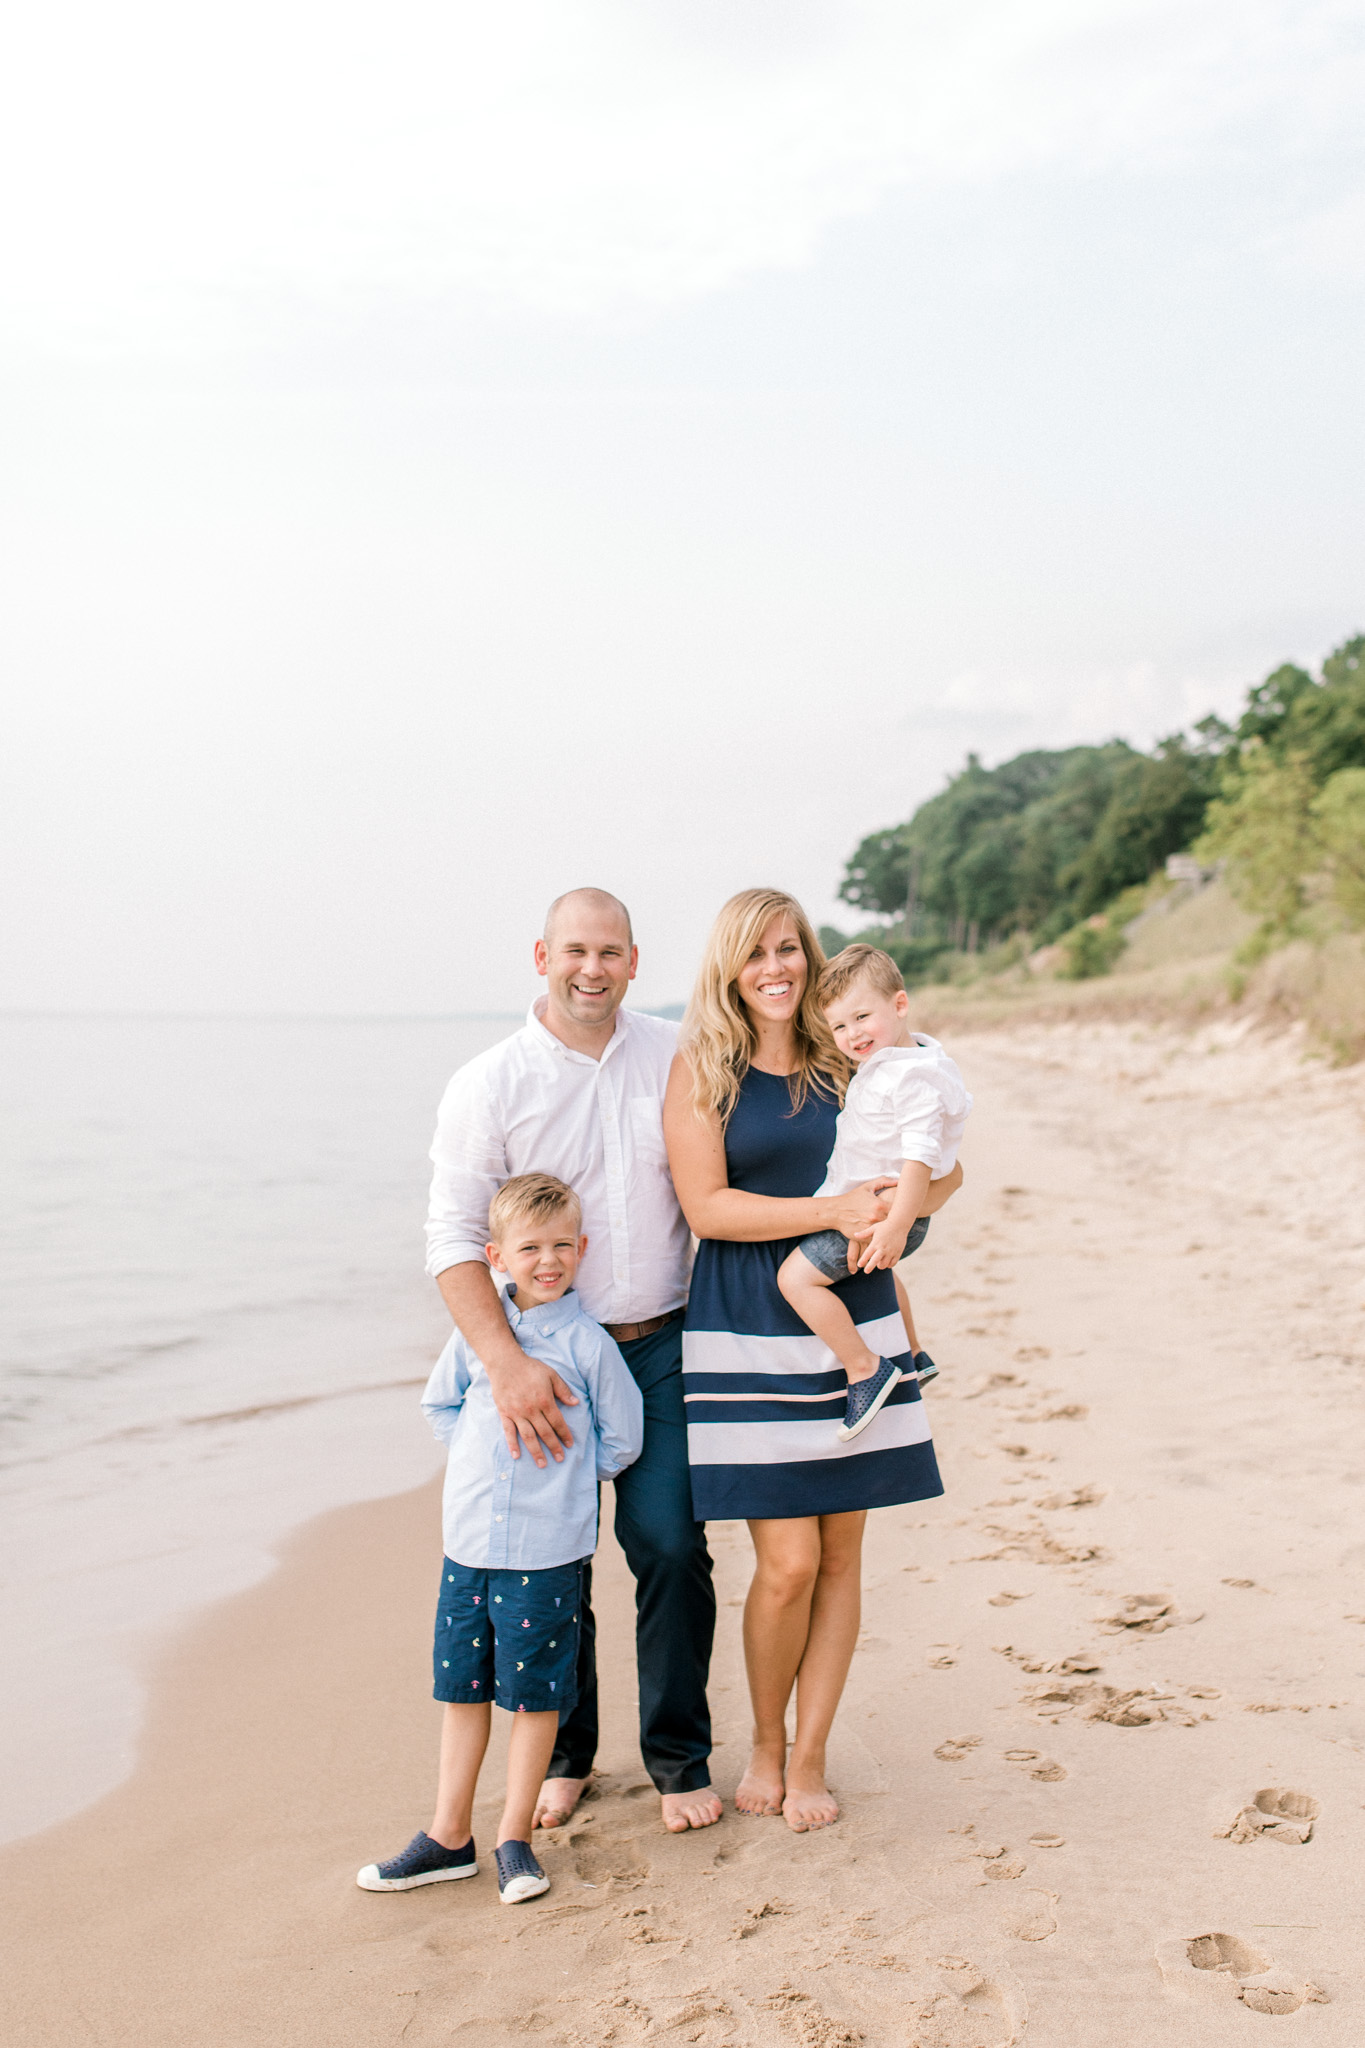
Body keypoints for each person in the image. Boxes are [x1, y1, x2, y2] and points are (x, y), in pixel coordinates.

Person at [424, 888, 721, 1834]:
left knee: (671, 1546)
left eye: (610, 952)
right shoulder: (490, 1083)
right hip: (541, 1358)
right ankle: (566, 1753)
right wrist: (503, 1364)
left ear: (635, 960)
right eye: (574, 951)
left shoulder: (675, 1051)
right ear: (541, 955)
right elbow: (451, 1237)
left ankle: (678, 1758)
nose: (591, 969)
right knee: (550, 1561)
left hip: (662, 1347)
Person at [663, 889, 959, 1833]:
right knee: (784, 1563)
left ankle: (811, 1755)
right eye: (755, 954)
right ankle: (759, 1745)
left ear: (809, 956)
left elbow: (945, 1166)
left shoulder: (852, 1052)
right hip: (745, 1317)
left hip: (847, 1304)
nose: (775, 968)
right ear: (729, 969)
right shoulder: (702, 1067)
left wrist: (904, 1207)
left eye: (788, 949)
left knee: (840, 1558)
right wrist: (831, 1213)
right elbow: (707, 1209)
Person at [358, 1173, 643, 1904]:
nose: (546, 1260)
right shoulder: (479, 1337)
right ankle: (448, 1835)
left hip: (546, 1553)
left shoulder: (588, 1346)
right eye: (529, 1248)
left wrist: (568, 1485)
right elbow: (439, 1405)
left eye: (560, 1246)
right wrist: (479, 1465)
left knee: (534, 1698)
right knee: (462, 1690)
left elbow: (622, 1439)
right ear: (495, 1255)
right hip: (468, 1548)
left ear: (581, 1249)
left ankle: (514, 1837)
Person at [777, 943, 972, 1435]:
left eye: (862, 1016)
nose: (852, 1034)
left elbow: (921, 1156)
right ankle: (913, 1351)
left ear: (899, 1005)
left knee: (794, 1281)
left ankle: (866, 1368)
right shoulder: (903, 1061)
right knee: (878, 1276)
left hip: (887, 1213)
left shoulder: (911, 1079)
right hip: (887, 1211)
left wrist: (896, 1225)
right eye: (839, 1026)